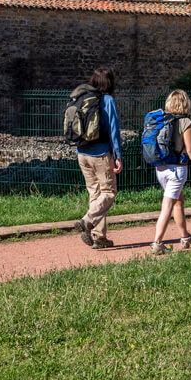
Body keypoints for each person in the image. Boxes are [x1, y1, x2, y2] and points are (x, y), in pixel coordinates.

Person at [149, 89, 191, 255]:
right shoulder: (185, 122)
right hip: (177, 169)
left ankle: (185, 237)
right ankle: (157, 242)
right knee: (167, 204)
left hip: (160, 168)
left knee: (178, 201)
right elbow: (190, 150)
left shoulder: (160, 120)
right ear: (185, 103)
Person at [72, 67, 123, 249]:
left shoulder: (83, 97)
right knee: (109, 192)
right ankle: (87, 221)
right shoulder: (108, 100)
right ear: (110, 82)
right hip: (100, 154)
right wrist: (118, 155)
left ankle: (99, 237)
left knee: (95, 194)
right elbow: (114, 130)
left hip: (81, 153)